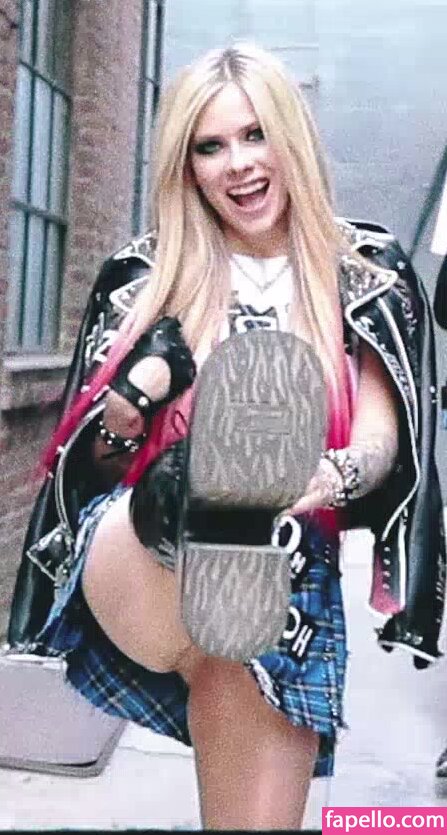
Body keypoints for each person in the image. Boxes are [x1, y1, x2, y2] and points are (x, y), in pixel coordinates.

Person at [7, 43, 445, 830]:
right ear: (187, 165)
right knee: (183, 503)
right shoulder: (144, 277)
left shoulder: (365, 273)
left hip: (278, 586)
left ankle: (238, 503)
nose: (237, 164)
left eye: (254, 134)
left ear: (290, 137)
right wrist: (129, 406)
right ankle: (204, 486)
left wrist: (333, 475)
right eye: (210, 146)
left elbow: (383, 439)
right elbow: (88, 465)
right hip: (142, 553)